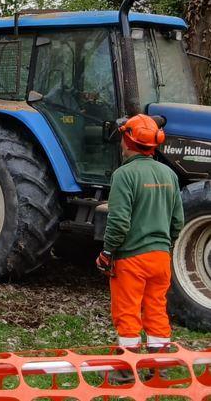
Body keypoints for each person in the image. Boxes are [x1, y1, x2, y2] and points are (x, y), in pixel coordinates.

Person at [96, 114, 184, 359]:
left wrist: (107, 252)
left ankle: (126, 370)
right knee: (156, 309)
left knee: (127, 312)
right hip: (161, 258)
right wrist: (165, 244)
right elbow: (177, 221)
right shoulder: (169, 175)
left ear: (127, 140)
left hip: (131, 258)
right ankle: (160, 367)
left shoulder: (124, 175)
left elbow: (119, 222)